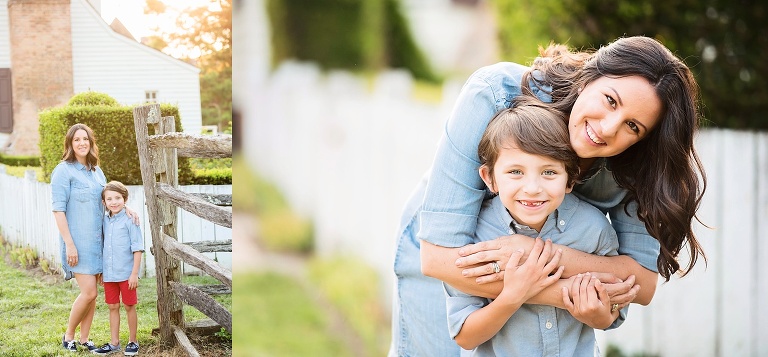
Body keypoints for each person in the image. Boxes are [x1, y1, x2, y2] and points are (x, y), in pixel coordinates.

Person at [390, 36, 707, 356]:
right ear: (589, 77)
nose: (609, 128)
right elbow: (439, 260)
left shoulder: (636, 163)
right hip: (452, 252)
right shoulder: (496, 93)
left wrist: (532, 252)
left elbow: (640, 281)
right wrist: (566, 292)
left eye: (633, 126)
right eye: (610, 100)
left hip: (530, 290)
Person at [445, 98, 622, 356]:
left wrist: (598, 315)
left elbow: (614, 314)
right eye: (515, 172)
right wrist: (511, 297)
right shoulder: (475, 237)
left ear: (570, 179)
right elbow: (465, 335)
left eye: (549, 172)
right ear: (490, 178)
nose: (532, 188)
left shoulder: (593, 230)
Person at [52, 123, 138, 353]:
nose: (82, 143)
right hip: (77, 243)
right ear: (70, 144)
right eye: (77, 139)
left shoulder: (97, 171)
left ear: (91, 142)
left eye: (85, 139)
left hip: (99, 243)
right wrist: (69, 244)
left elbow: (111, 198)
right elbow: (58, 210)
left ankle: (84, 338)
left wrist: (127, 209)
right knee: (88, 292)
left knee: (93, 295)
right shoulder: (63, 171)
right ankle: (68, 335)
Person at [93, 181, 144, 356]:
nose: (114, 202)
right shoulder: (105, 220)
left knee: (129, 306)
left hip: (126, 274)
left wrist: (134, 274)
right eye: (109, 199)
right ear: (104, 202)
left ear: (125, 199)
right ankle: (114, 342)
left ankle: (133, 341)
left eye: (118, 198)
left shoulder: (131, 220)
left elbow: (137, 248)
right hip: (109, 274)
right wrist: (101, 271)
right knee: (113, 306)